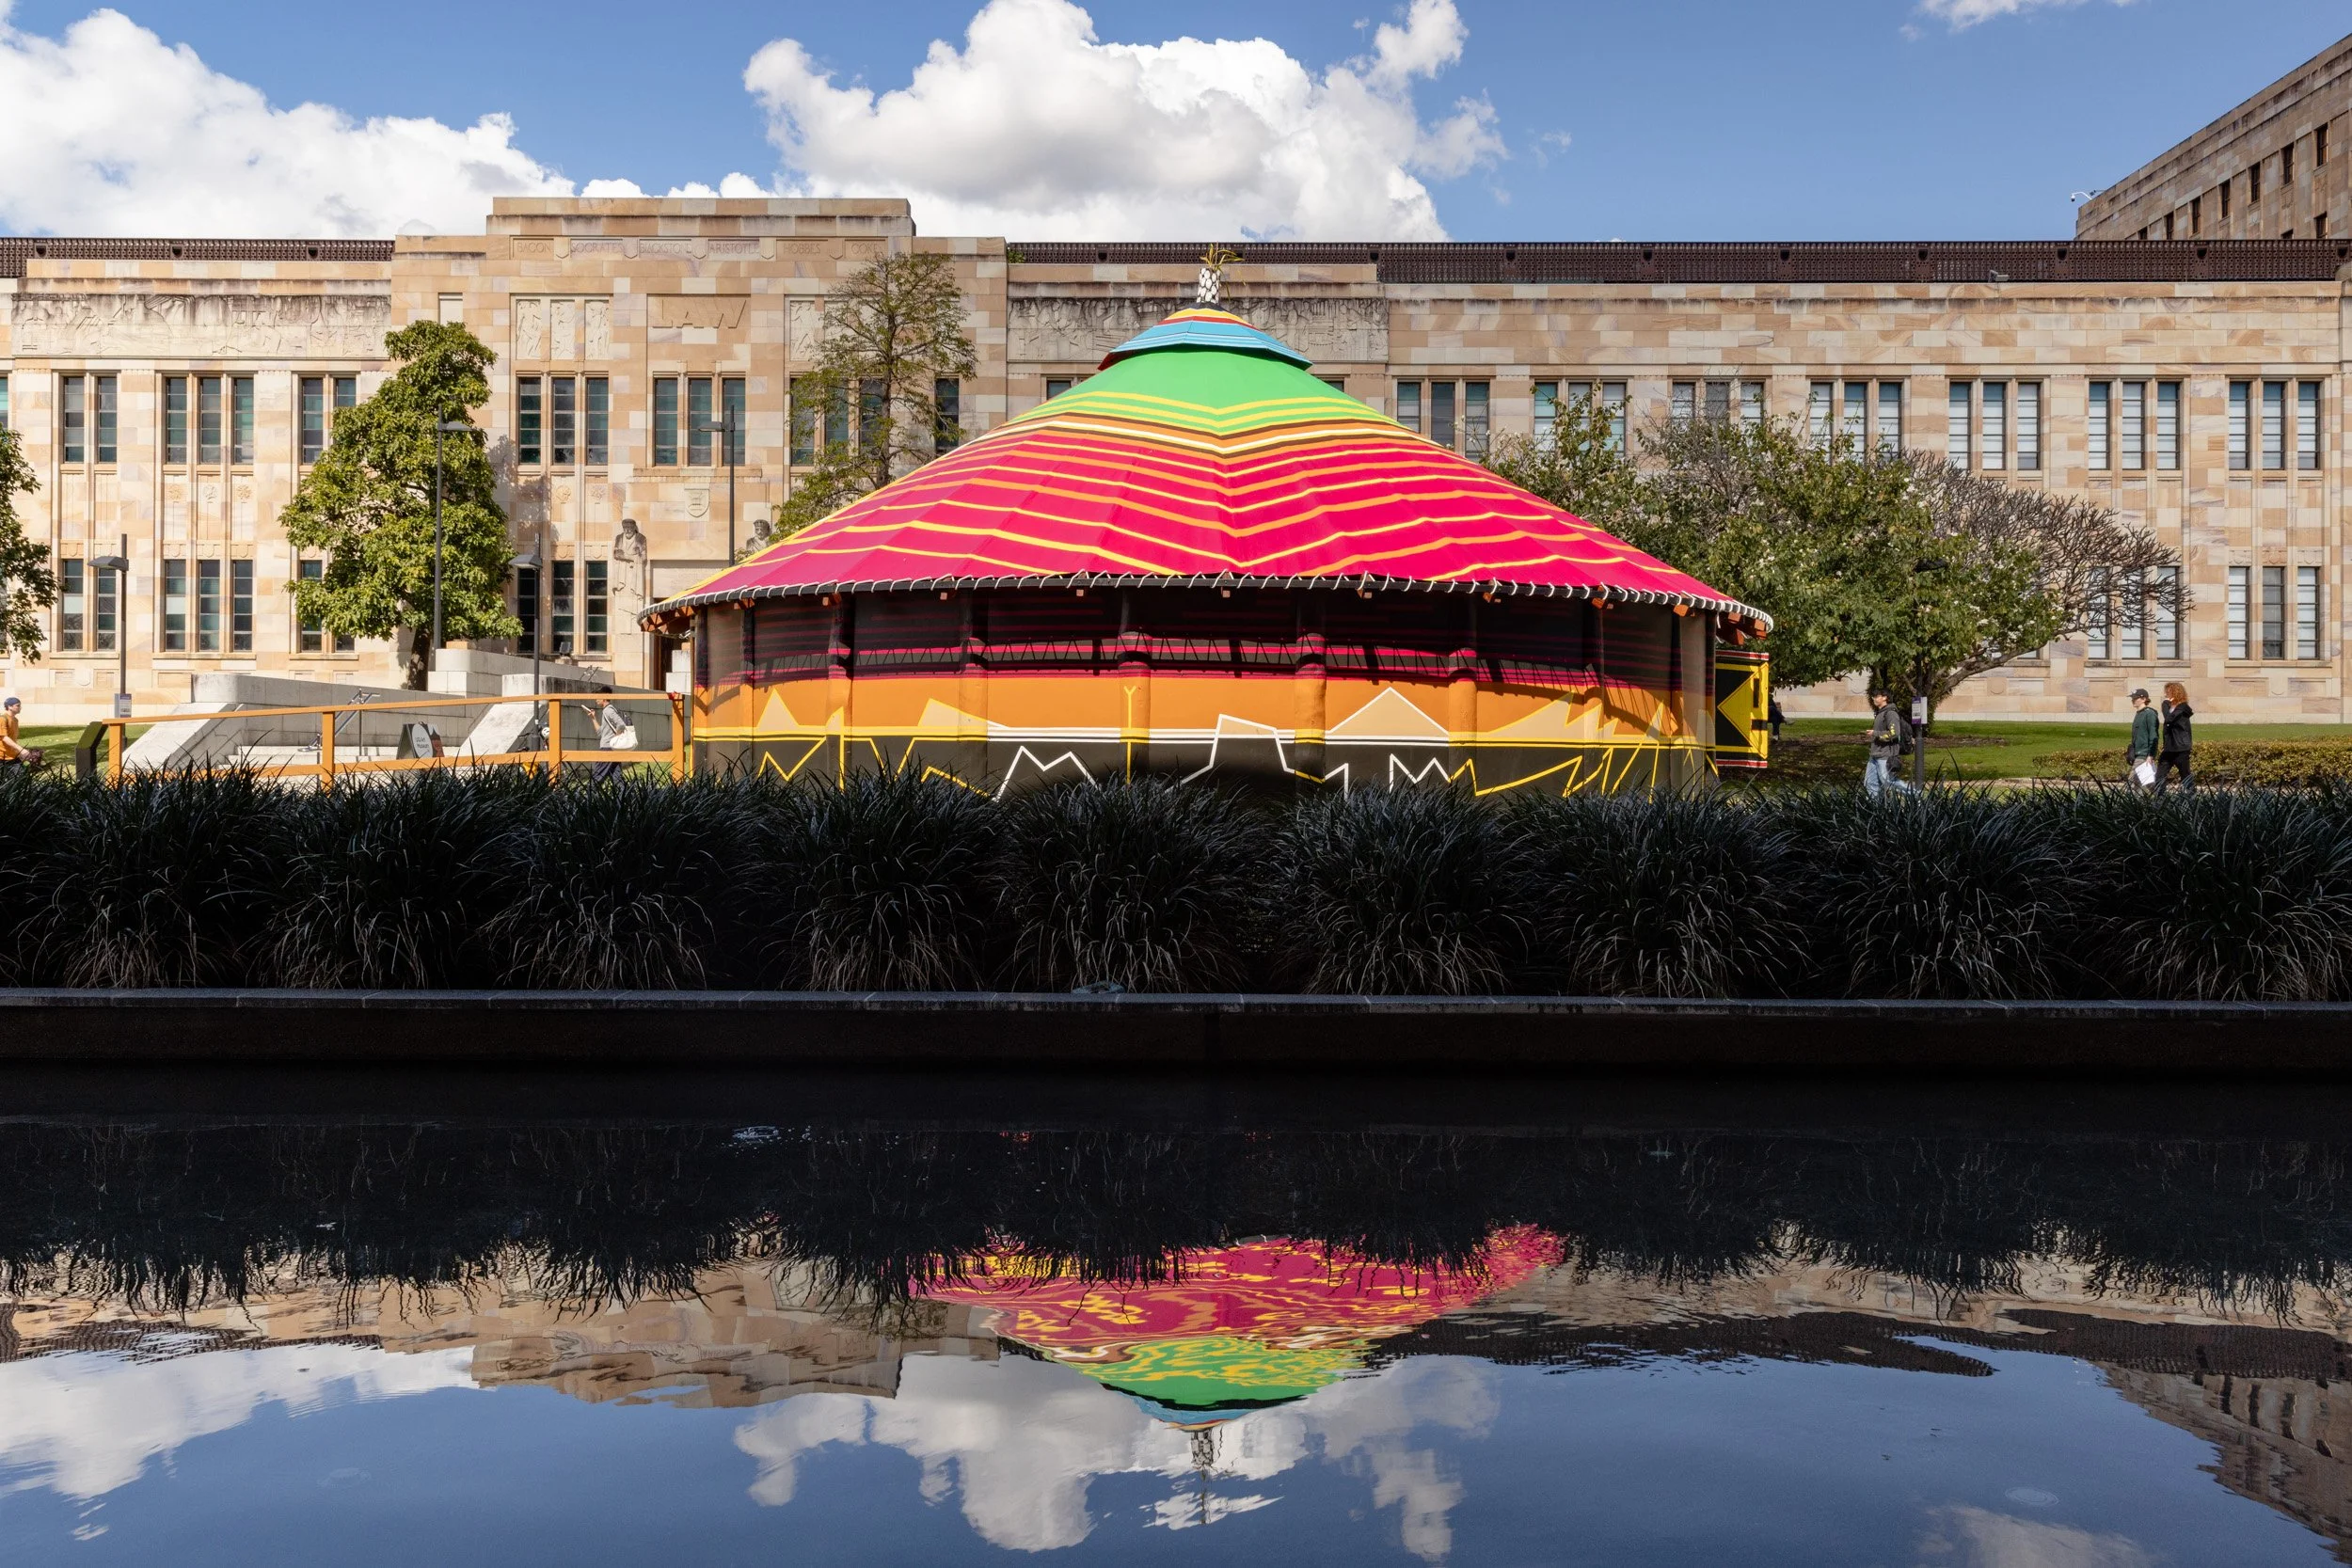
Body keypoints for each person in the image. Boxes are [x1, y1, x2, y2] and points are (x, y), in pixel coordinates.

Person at [1862, 689, 1913, 797]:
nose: (1874, 698)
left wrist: (1875, 733)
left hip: (1885, 755)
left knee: (1888, 781)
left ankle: (1916, 795)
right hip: (1874, 755)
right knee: (1870, 783)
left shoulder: (1891, 713)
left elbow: (1894, 733)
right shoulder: (1880, 713)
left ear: (1885, 698)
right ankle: (1876, 808)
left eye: (1876, 696)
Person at [2155, 681, 2194, 794]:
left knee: (2185, 775)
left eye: (2168, 692)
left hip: (2181, 748)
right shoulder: (2172, 707)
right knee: (2160, 774)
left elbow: (2169, 718)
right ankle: (2160, 797)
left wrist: (2165, 705)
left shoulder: (2183, 708)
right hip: (2169, 748)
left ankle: (2192, 796)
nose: (2166, 695)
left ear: (2175, 693)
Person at [2126, 689, 2161, 788]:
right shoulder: (2139, 714)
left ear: (2144, 699)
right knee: (2150, 786)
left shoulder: (2149, 714)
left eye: (2135, 698)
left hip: (2144, 756)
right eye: (2132, 698)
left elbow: (2153, 736)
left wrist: (2151, 754)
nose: (2133, 700)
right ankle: (2161, 802)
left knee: (2132, 786)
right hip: (2138, 754)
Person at [593, 698, 634, 781]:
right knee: (617, 778)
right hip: (612, 748)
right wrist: (593, 718)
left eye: (597, 698)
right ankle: (623, 793)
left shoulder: (608, 710)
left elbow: (621, 725)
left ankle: (589, 793)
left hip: (607, 748)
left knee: (597, 777)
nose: (596, 700)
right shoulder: (607, 710)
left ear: (603, 698)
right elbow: (601, 733)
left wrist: (615, 738)